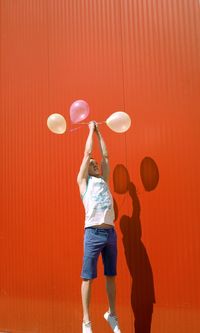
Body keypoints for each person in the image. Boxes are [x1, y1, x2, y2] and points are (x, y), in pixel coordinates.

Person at [77, 121, 122, 333]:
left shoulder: (104, 179)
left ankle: (111, 314)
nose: (95, 164)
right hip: (93, 233)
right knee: (88, 277)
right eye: (91, 164)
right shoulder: (83, 183)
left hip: (110, 233)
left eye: (96, 164)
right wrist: (90, 130)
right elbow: (88, 154)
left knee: (111, 275)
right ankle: (86, 321)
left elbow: (105, 156)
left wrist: (100, 131)